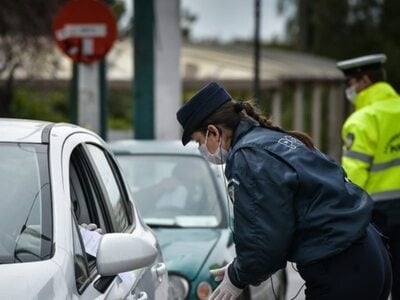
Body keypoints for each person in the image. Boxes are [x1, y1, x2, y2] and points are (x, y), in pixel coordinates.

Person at [176, 81, 392, 300]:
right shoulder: (272, 140)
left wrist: (237, 276)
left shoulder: (248, 157)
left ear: (213, 131)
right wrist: (240, 267)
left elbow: (264, 242)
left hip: (342, 267)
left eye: (199, 141)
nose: (202, 149)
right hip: (366, 255)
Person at [337, 53, 400, 299]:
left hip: (379, 217)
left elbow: (354, 179)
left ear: (364, 81)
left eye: (349, 83)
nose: (348, 90)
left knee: (376, 284)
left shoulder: (362, 120)